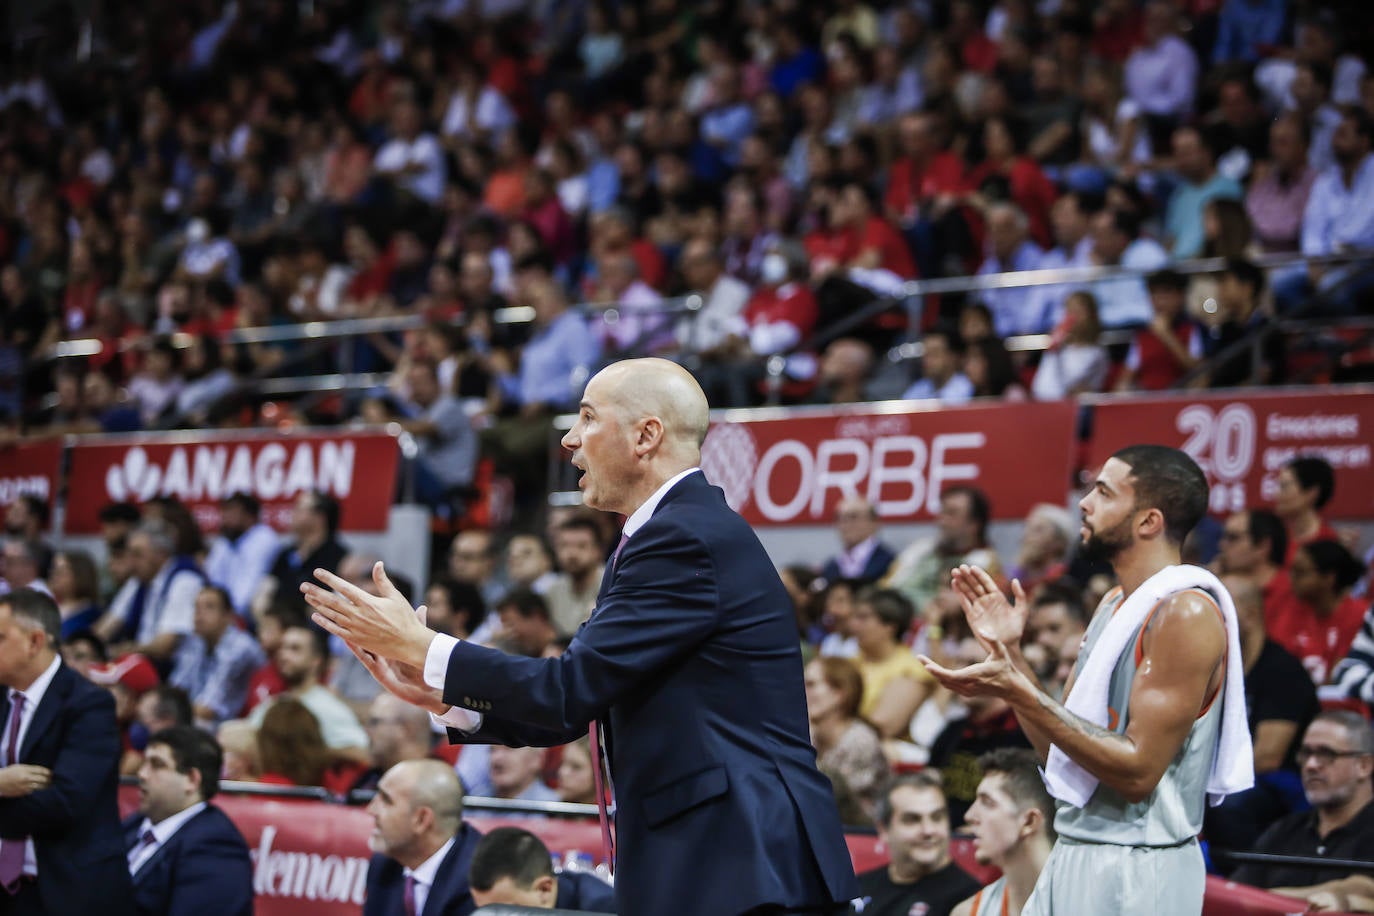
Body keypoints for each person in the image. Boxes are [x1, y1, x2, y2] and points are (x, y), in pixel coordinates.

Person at [305, 357, 857, 916]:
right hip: (723, 857)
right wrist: (448, 699)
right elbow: (576, 706)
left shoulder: (682, 539)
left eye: (588, 418)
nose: (570, 439)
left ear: (646, 436)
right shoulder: (662, 536)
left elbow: (567, 687)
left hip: (742, 859)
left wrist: (424, 648)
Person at [920, 445, 1251, 916]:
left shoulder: (1185, 611)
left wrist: (1019, 690)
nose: (1084, 502)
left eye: (1103, 492)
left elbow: (1137, 773)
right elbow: (1060, 752)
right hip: (1075, 848)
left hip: (1139, 865)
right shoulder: (1114, 605)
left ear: (1148, 522)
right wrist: (1010, 656)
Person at [0, 588, 135, 915]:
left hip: (66, 891)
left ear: (34, 642)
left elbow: (63, 803)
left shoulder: (89, 704)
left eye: (0, 637)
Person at [1203, 576, 1317, 865]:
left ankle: (1246, 884)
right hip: (1224, 772)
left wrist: (1203, 778)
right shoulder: (1218, 667)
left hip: (1281, 783)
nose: (1210, 616)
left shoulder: (1282, 670)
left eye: (1221, 607)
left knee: (1229, 802)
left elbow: (1268, 757)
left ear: (1251, 615)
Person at [1230, 713, 1374, 911]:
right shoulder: (1284, 830)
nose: (1311, 765)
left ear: (1364, 766)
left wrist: (1266, 901)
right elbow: (1237, 894)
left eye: (1326, 754)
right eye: (1306, 753)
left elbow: (1363, 888)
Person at [125, 726, 253, 916]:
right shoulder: (132, 825)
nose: (142, 774)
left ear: (192, 780)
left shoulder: (215, 846)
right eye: (144, 763)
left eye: (157, 765)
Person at [363, 759, 484, 916]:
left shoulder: (478, 879)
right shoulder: (383, 865)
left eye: (386, 800)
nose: (371, 810)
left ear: (421, 819)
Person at [853, 772, 981, 916]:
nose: (928, 830)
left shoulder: (969, 901)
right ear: (884, 830)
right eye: (912, 820)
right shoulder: (859, 887)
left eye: (937, 817)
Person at [951, 749, 1056, 916]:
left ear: (1029, 821)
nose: (969, 816)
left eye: (987, 802)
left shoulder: (1088, 902)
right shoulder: (968, 912)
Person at [246, 621, 368, 763]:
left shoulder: (328, 706)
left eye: (295, 649)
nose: (283, 655)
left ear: (315, 661)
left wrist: (307, 752)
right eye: (282, 648)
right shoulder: (275, 703)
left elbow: (363, 752)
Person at [1267, 540, 1366, 686]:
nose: (1291, 578)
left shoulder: (1359, 614)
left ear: (1328, 578)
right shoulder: (1293, 609)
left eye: (1300, 572)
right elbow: (1273, 664)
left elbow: (1340, 676)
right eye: (1291, 571)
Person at [804, 657, 889, 821]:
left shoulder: (860, 740)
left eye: (811, 684)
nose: (800, 691)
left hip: (864, 833)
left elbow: (838, 800)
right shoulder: (811, 736)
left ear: (839, 694)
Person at [168, 585, 266, 727]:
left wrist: (170, 708)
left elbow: (208, 709)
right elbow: (176, 689)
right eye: (196, 607)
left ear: (228, 616)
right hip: (207, 718)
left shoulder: (239, 647)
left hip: (240, 722)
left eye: (209, 607)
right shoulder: (196, 641)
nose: (199, 614)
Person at [468, 827, 617, 911]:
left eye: (504, 911)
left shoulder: (603, 910)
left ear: (544, 890)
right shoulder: (489, 898)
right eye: (485, 912)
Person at [202, 493, 281, 617]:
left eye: (232, 512)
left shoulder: (264, 538)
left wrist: (226, 615)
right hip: (223, 613)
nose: (225, 518)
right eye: (224, 512)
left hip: (249, 616)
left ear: (250, 516)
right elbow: (211, 578)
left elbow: (249, 587)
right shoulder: (224, 541)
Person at [542, 515, 606, 637]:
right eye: (564, 545)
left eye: (581, 546)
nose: (571, 554)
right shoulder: (553, 591)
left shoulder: (612, 583)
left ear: (598, 550)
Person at [1272, 456, 1339, 565]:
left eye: (1284, 487)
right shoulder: (1271, 537)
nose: (1276, 495)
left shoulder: (1328, 542)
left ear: (1311, 493)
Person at [821, 498, 897, 587]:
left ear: (874, 523)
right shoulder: (831, 567)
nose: (845, 524)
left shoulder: (889, 563)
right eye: (840, 518)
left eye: (854, 517)